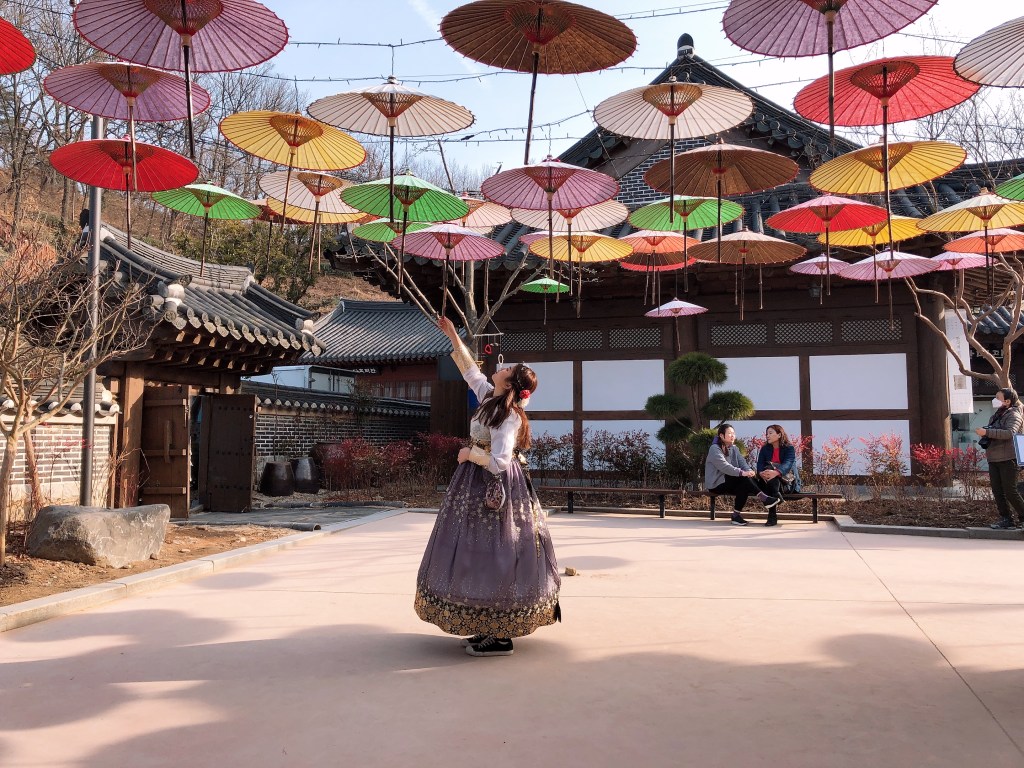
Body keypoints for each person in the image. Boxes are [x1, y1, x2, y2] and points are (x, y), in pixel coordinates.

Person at [415, 317, 561, 657]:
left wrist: (469, 453)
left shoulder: (507, 416)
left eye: (507, 368)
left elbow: (500, 461)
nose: (501, 366)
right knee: (475, 552)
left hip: (496, 491)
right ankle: (485, 625)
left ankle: (501, 634)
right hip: (474, 486)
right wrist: (453, 335)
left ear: (509, 384)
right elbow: (471, 372)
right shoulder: (489, 399)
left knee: (498, 551)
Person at [705, 423, 774, 526]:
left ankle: (736, 516)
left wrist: (749, 471)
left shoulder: (734, 448)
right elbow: (725, 467)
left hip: (730, 481)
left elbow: (743, 463)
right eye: (729, 433)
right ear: (721, 436)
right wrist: (742, 473)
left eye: (733, 433)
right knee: (744, 479)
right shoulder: (715, 448)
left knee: (745, 483)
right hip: (716, 484)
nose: (732, 435)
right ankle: (764, 498)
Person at [976, 387, 1024, 530]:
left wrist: (987, 432)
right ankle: (1006, 518)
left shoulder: (1014, 415)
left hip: (1009, 457)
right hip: (994, 457)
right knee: (997, 491)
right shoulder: (997, 415)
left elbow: (1010, 433)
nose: (994, 400)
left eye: (998, 398)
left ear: (1007, 401)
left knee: (1010, 490)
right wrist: (986, 432)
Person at [755, 424, 801, 527]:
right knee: (767, 469)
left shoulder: (789, 448)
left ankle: (772, 514)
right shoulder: (765, 449)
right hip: (767, 481)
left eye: (770, 433)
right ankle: (776, 496)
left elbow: (788, 464)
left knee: (770, 470)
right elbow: (760, 465)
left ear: (779, 434)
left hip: (786, 483)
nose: (767, 436)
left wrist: (776, 472)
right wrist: (761, 473)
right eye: (767, 433)